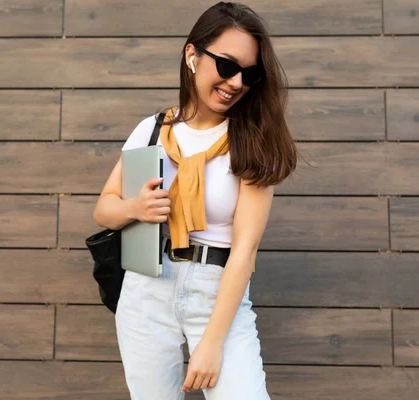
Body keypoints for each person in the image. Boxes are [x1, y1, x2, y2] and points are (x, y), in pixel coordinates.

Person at [93, 2, 298, 399]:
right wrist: (135, 208)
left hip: (217, 292)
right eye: (226, 65)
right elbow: (104, 207)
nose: (236, 82)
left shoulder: (252, 141)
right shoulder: (152, 130)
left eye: (249, 73)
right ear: (192, 55)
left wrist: (212, 342)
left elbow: (245, 249)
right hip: (147, 289)